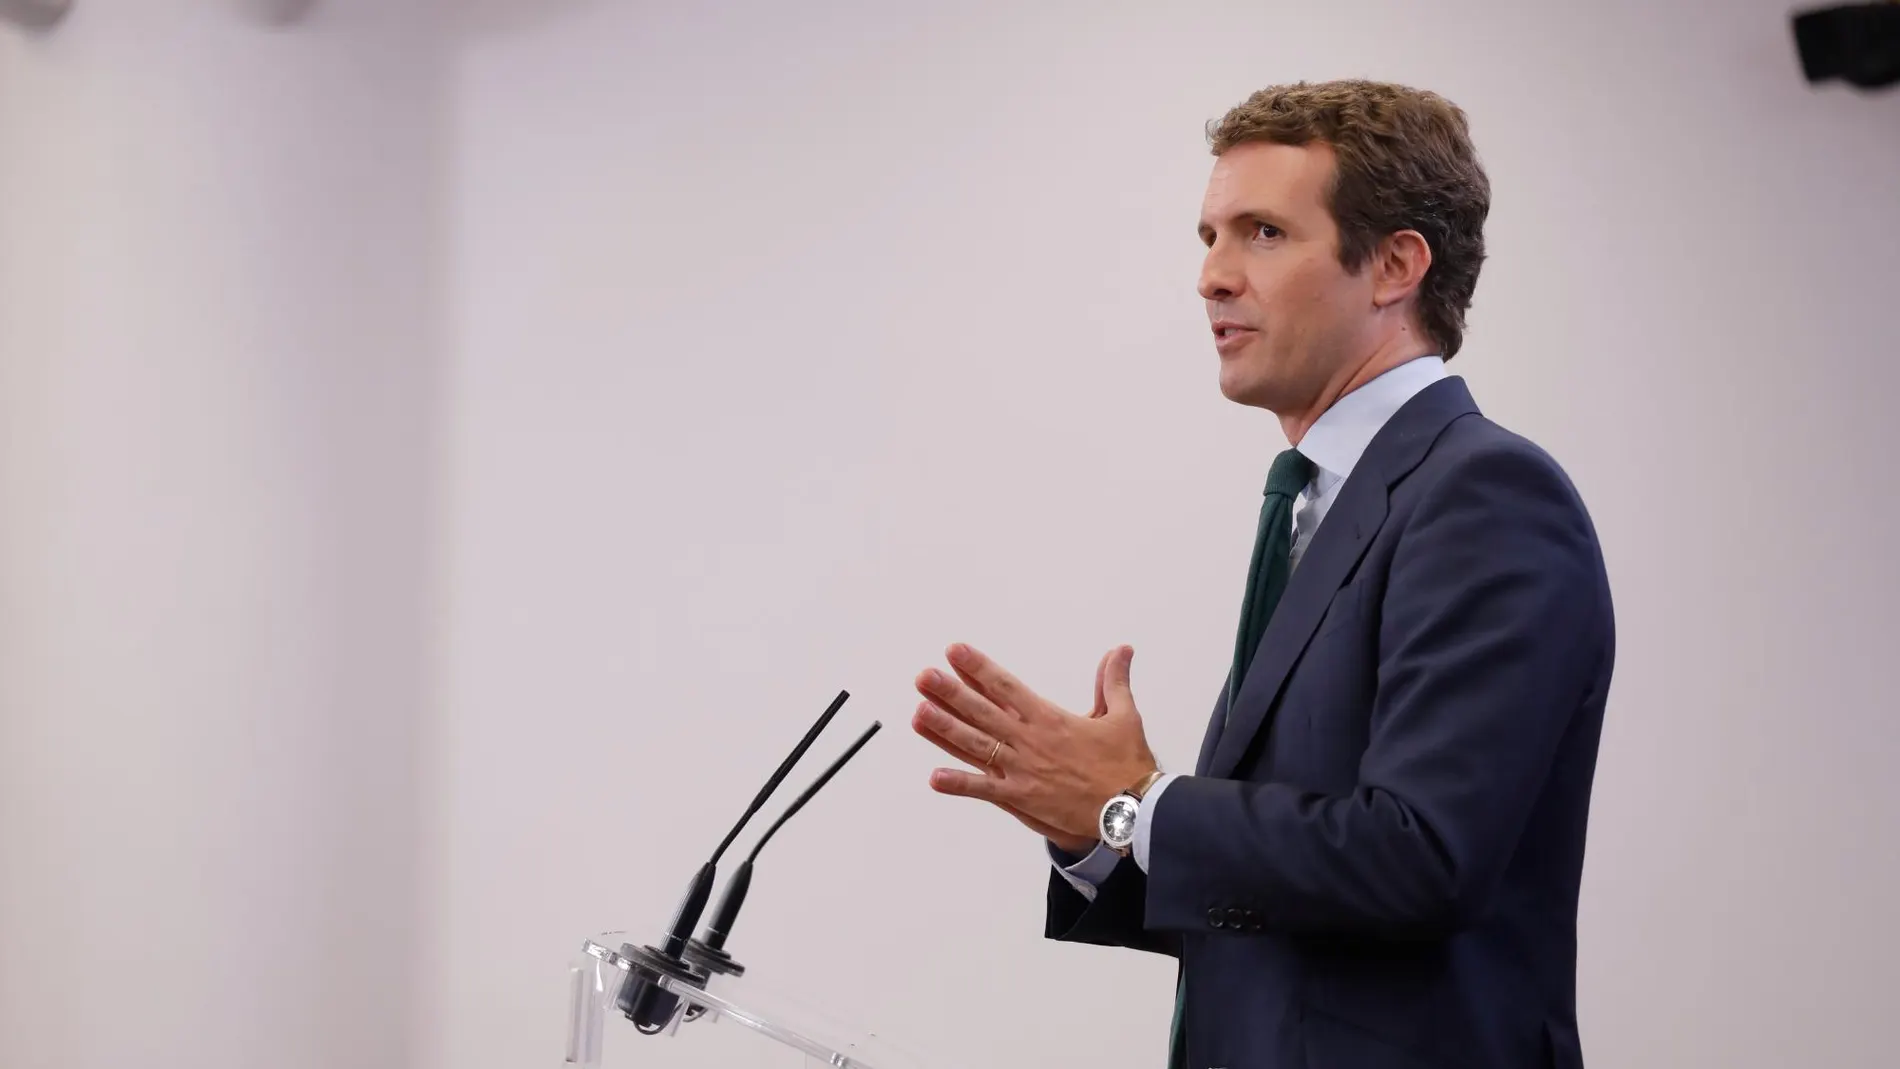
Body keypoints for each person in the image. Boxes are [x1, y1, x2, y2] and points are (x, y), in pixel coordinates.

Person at [910, 79, 1614, 1069]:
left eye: (1263, 233)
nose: (1212, 275)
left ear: (1395, 266)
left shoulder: (1483, 493)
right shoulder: (1318, 502)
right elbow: (1277, 912)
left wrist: (1138, 804)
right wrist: (1096, 833)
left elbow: (1421, 860)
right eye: (1207, 237)